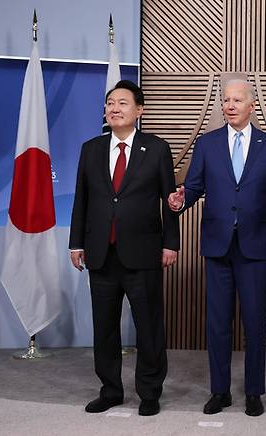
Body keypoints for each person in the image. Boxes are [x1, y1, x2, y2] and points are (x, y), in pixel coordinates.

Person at [168, 79, 266, 416]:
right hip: (217, 244)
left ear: (251, 106)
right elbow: (193, 187)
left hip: (254, 245)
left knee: (254, 322)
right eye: (225, 100)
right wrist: (182, 199)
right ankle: (220, 391)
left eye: (237, 99)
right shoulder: (207, 144)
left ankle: (254, 392)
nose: (230, 105)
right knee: (218, 323)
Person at [69, 80, 179, 416]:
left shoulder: (157, 148)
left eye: (122, 103)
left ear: (139, 110)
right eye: (110, 103)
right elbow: (81, 200)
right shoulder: (91, 148)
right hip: (101, 252)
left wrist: (170, 244)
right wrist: (76, 243)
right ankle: (110, 389)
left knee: (148, 326)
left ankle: (149, 392)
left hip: (143, 252)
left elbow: (169, 201)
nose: (115, 108)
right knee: (104, 327)